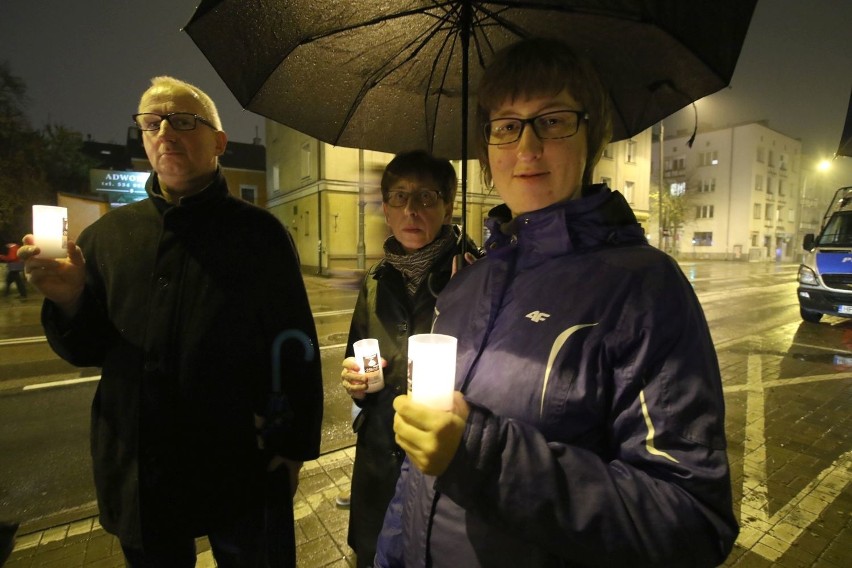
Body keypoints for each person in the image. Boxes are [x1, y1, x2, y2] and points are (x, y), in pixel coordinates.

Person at [375, 39, 738, 567]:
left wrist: (480, 455)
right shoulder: (466, 284)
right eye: (506, 126)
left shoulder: (645, 289)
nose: (526, 148)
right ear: (487, 149)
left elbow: (691, 518)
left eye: (552, 121)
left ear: (592, 137)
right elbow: (416, 474)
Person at [18, 76, 323, 567]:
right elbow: (88, 350)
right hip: (141, 467)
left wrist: (292, 448)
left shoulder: (259, 235)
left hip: (237, 462)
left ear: (219, 142)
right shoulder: (107, 237)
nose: (165, 131)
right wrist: (70, 298)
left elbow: (295, 345)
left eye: (183, 121)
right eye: (151, 122)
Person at [339, 150, 481, 568]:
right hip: (378, 467)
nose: (411, 210)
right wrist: (356, 384)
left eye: (425, 197)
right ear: (384, 208)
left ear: (449, 206)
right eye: (399, 197)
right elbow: (355, 353)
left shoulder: (474, 276)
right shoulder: (376, 279)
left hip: (442, 471)